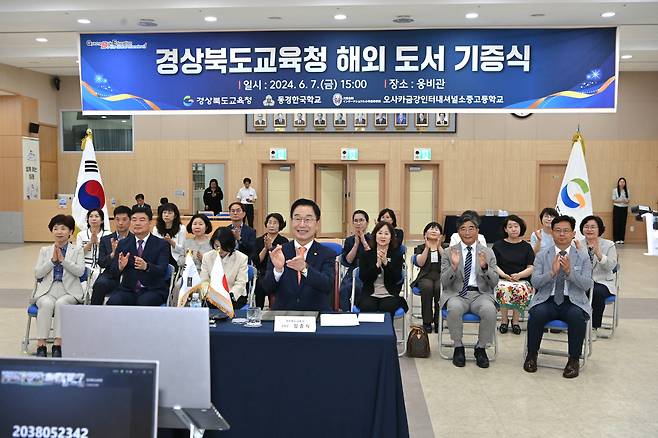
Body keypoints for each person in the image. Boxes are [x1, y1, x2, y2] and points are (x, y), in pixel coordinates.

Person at [524, 215, 593, 379]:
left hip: (573, 300)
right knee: (537, 314)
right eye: (558, 230)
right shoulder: (542, 255)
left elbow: (586, 285)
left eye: (566, 231)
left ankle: (573, 360)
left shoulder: (583, 256)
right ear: (552, 233)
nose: (562, 234)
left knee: (577, 317)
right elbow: (535, 282)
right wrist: (552, 273)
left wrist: (570, 272)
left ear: (573, 233)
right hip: (548, 299)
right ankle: (532, 355)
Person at [441, 213, 499, 368]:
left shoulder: (487, 252)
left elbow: (494, 282)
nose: (467, 233)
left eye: (471, 228)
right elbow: (444, 282)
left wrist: (485, 268)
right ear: (458, 232)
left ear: (477, 231)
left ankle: (480, 348)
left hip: (481, 294)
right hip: (456, 293)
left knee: (489, 310)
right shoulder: (449, 252)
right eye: (463, 229)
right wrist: (453, 267)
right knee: (453, 308)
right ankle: (458, 347)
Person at [262, 198, 336, 311]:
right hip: (284, 317)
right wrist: (278, 270)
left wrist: (305, 269)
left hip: (317, 317)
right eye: (297, 219)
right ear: (292, 222)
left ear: (317, 224)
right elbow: (267, 288)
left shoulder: (327, 253)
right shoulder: (279, 251)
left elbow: (327, 285)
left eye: (308, 219)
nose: (302, 225)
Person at [34, 214, 85, 357]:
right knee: (46, 304)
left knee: (61, 304)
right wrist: (52, 261)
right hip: (48, 290)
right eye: (55, 228)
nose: (59, 232)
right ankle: (41, 345)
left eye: (63, 228)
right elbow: (38, 274)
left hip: (69, 291)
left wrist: (63, 261)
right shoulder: (44, 251)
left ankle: (58, 344)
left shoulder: (77, 250)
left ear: (70, 232)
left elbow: (80, 271)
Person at [106, 206, 171, 306]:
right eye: (134, 220)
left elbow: (162, 270)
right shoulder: (123, 244)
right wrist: (120, 267)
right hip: (129, 290)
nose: (137, 223)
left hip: (153, 289)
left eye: (142, 220)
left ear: (150, 222)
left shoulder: (161, 244)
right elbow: (113, 272)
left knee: (143, 302)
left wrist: (146, 266)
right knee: (113, 302)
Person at [492, 215, 535, 335]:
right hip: (503, 278)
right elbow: (494, 265)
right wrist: (505, 275)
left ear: (521, 228)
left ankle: (515, 321)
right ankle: (504, 321)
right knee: (503, 288)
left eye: (516, 226)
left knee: (519, 288)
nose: (514, 229)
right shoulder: (498, 245)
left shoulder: (526, 246)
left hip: (521, 279)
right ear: (505, 229)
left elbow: (531, 267)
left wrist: (520, 275)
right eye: (510, 226)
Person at [357, 221, 408, 317]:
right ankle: (368, 332)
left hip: (390, 293)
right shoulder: (366, 255)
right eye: (380, 233)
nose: (383, 236)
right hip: (370, 293)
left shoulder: (397, 255)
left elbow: (397, 279)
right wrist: (377, 266)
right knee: (368, 306)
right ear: (375, 235)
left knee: (387, 306)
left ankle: (387, 332)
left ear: (391, 237)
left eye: (386, 233)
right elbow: (363, 277)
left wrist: (385, 263)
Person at [578, 215, 617, 338]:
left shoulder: (609, 245)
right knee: (574, 290)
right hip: (583, 280)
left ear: (599, 229)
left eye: (593, 227)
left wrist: (599, 254)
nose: (589, 230)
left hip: (603, 281)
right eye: (586, 227)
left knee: (597, 292)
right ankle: (578, 323)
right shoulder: (577, 244)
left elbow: (610, 266)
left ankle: (593, 327)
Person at [90, 205, 132, 305]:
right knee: (99, 284)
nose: (120, 223)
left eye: (124, 219)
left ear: (130, 221)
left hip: (129, 275)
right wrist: (113, 254)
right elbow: (101, 262)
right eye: (117, 219)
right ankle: (94, 314)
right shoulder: (106, 239)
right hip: (110, 276)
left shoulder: (135, 240)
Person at [201, 227, 249, 309]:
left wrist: (229, 296)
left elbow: (241, 282)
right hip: (212, 297)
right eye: (217, 246)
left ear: (230, 245)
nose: (220, 250)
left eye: (224, 247)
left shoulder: (241, 258)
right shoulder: (207, 257)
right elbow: (204, 280)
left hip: (234, 298)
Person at [412, 222, 444, 333]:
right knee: (427, 287)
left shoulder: (446, 247)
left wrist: (439, 247)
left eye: (437, 229)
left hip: (441, 275)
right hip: (426, 275)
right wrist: (427, 247)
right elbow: (420, 263)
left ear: (441, 235)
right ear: (425, 233)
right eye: (431, 228)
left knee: (439, 288)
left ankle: (438, 320)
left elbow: (448, 262)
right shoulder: (420, 247)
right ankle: (427, 322)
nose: (434, 230)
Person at [252, 213, 289, 308]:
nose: (272, 225)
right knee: (260, 285)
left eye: (275, 223)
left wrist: (271, 248)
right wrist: (266, 248)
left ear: (280, 225)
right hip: (263, 273)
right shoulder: (258, 240)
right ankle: (259, 311)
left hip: (277, 272)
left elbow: (284, 260)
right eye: (269, 222)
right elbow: (257, 262)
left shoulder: (283, 241)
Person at [339, 210, 372, 311]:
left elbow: (372, 258)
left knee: (361, 288)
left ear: (367, 222)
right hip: (352, 271)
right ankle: (346, 313)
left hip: (369, 271)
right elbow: (348, 261)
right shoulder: (349, 240)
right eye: (355, 221)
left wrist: (363, 240)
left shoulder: (373, 238)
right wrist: (356, 244)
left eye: (361, 220)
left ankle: (360, 312)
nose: (358, 223)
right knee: (344, 289)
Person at [151, 202, 186, 268]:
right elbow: (153, 247)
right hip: (160, 258)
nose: (166, 215)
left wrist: (170, 241)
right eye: (164, 213)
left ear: (175, 215)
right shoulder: (156, 229)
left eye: (170, 213)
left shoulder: (181, 228)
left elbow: (182, 250)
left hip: (175, 259)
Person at [612, 177, 629, 244]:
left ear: (625, 183)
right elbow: (613, 200)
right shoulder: (615, 190)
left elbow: (628, 201)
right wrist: (621, 200)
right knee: (616, 223)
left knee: (623, 223)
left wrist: (624, 201)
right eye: (621, 182)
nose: (622, 183)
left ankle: (622, 239)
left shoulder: (627, 190)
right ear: (618, 183)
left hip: (624, 208)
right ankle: (616, 239)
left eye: (623, 182)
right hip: (617, 208)